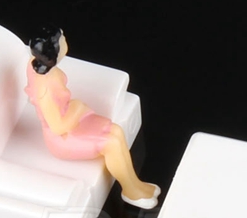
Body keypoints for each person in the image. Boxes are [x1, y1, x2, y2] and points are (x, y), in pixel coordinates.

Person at [25, 27, 160, 208]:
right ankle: (130, 191)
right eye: (62, 40)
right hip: (62, 137)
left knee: (116, 131)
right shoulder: (45, 89)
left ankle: (135, 183)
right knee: (111, 143)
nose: (65, 42)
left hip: (72, 119)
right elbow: (57, 127)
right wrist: (77, 108)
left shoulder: (36, 64)